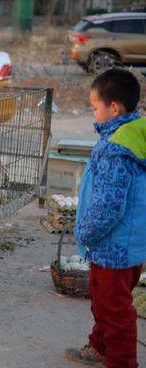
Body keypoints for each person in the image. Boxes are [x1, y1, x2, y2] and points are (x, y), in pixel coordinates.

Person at [66, 68, 146, 368]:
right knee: (106, 302)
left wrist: (85, 233)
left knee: (115, 310)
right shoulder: (134, 133)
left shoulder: (116, 148)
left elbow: (109, 207)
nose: (93, 113)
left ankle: (122, 362)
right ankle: (100, 347)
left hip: (112, 244)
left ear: (114, 108)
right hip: (131, 243)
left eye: (95, 107)